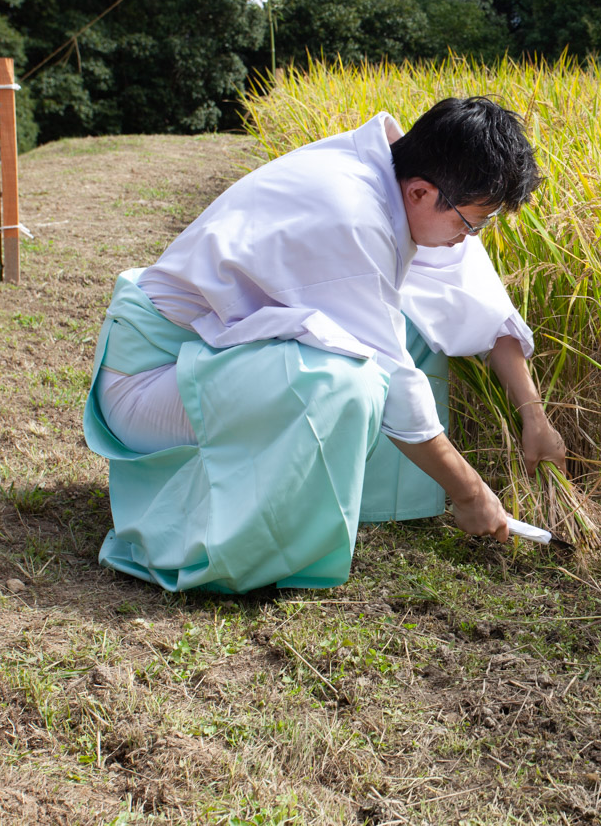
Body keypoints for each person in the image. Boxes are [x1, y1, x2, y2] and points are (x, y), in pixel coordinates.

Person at [82, 97, 566, 594]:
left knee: (412, 330)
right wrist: (471, 493)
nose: (468, 240)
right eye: (471, 224)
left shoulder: (404, 170)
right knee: (344, 380)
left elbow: (472, 299)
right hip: (150, 381)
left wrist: (535, 416)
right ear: (422, 192)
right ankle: (221, 551)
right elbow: (394, 384)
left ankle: (363, 508)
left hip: (211, 360)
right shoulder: (352, 216)